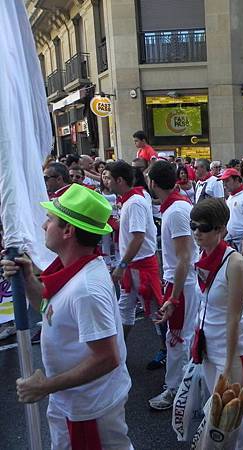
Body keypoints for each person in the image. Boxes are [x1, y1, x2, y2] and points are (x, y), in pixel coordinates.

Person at [1, 184, 132, 449]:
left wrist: (45, 386)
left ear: (68, 231)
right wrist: (27, 279)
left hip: (90, 409)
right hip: (72, 402)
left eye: (50, 220)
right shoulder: (74, 270)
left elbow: (107, 358)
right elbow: (49, 310)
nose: (43, 226)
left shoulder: (86, 288)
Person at [190, 198, 243, 449]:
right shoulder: (203, 255)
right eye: (193, 226)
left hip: (234, 351)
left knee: (231, 418)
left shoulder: (235, 263)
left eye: (204, 227)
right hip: (209, 346)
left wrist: (228, 363)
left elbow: (234, 317)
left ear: (221, 229)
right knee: (220, 416)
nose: (197, 232)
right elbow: (205, 305)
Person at [146, 161, 200, 410]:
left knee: (177, 337)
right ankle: (183, 387)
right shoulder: (174, 207)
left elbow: (184, 258)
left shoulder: (176, 210)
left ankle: (177, 390)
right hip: (179, 282)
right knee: (178, 336)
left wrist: (174, 297)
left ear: (153, 183)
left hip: (183, 284)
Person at [105, 161, 162, 339]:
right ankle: (118, 351)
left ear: (120, 180)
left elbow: (138, 237)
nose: (105, 181)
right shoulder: (130, 200)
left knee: (155, 310)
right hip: (132, 266)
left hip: (141, 266)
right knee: (125, 308)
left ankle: (168, 350)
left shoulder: (135, 202)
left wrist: (122, 265)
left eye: (109, 178)